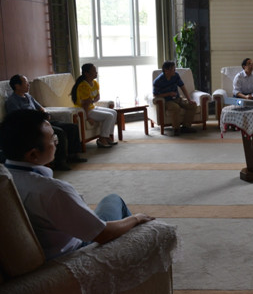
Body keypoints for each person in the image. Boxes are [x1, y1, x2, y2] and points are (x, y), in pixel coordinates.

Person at [0, 109, 154, 260]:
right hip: (72, 252)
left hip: (47, 247)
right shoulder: (52, 191)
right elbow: (103, 234)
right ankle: (134, 258)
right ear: (33, 154)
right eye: (53, 139)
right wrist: (137, 218)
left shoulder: (6, 179)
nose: (56, 143)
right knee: (114, 200)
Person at [5, 74, 86, 170]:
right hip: (31, 127)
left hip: (42, 122)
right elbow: (18, 119)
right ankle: (59, 162)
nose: (28, 85)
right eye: (26, 83)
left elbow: (40, 108)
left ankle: (73, 155)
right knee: (59, 132)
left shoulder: (28, 96)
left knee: (72, 127)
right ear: (17, 86)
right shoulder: (12, 101)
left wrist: (45, 114)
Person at [70, 64, 118, 148]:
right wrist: (88, 117)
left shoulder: (95, 83)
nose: (96, 72)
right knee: (109, 116)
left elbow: (97, 98)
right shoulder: (83, 86)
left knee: (114, 112)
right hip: (84, 110)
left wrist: (91, 101)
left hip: (91, 107)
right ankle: (102, 139)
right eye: (94, 71)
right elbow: (85, 104)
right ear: (87, 73)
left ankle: (107, 137)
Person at [153, 61, 197, 136]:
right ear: (166, 70)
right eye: (173, 69)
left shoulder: (176, 75)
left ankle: (186, 127)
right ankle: (176, 129)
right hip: (167, 101)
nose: (175, 70)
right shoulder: (158, 81)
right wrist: (168, 94)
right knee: (176, 108)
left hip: (178, 98)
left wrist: (189, 100)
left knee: (192, 105)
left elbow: (183, 87)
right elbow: (155, 95)